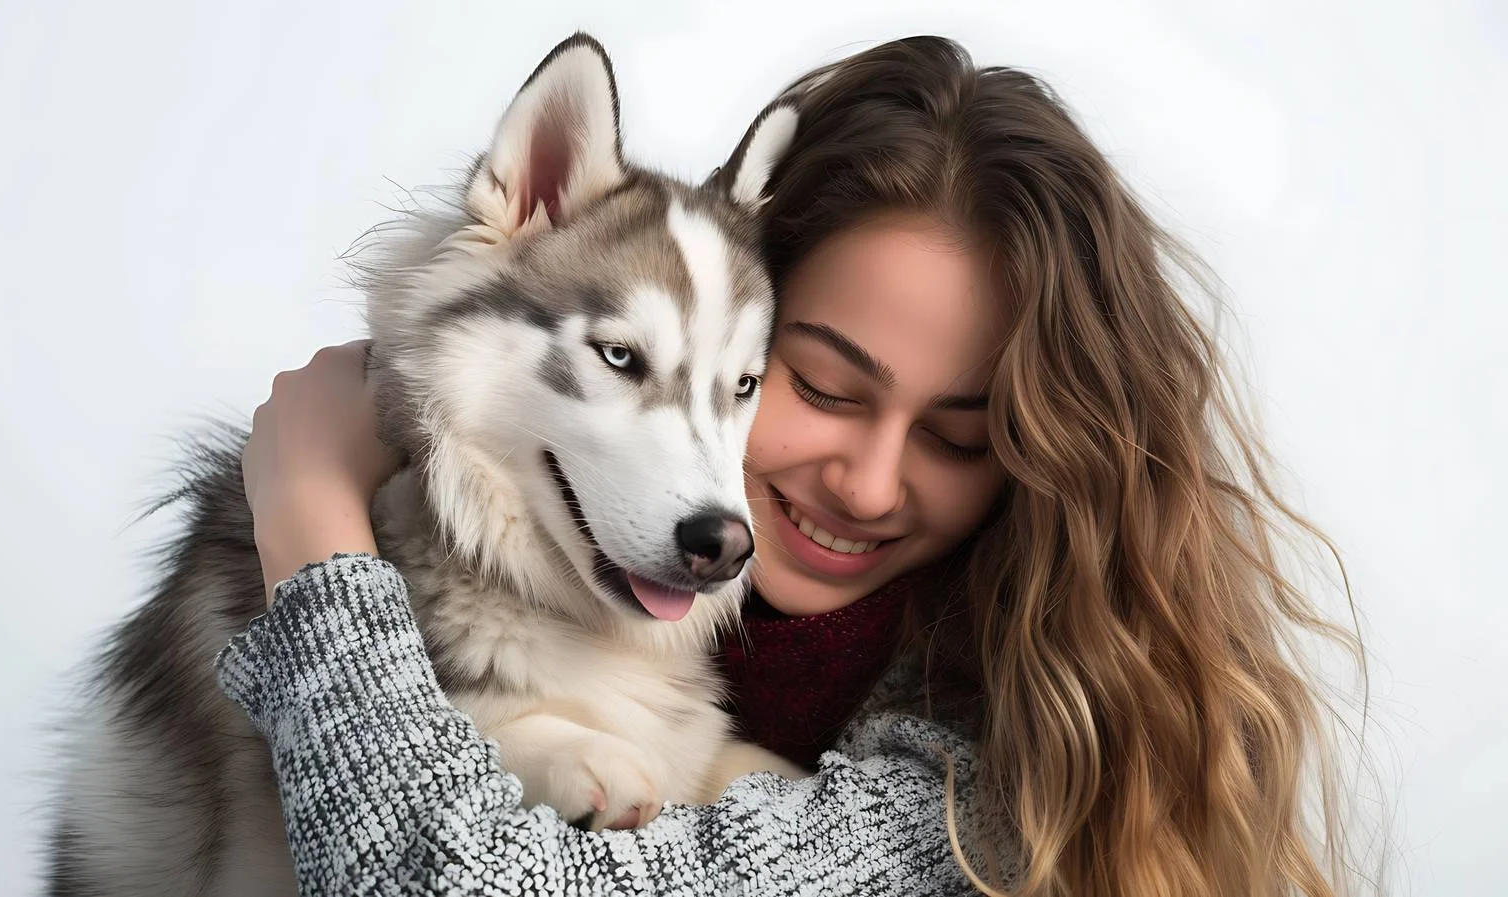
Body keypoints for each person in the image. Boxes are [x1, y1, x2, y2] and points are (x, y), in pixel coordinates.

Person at [217, 36, 1366, 896]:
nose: (865, 487)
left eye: (958, 437)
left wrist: (312, 520)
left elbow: (441, 880)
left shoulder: (987, 790)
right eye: (819, 385)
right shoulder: (550, 565)